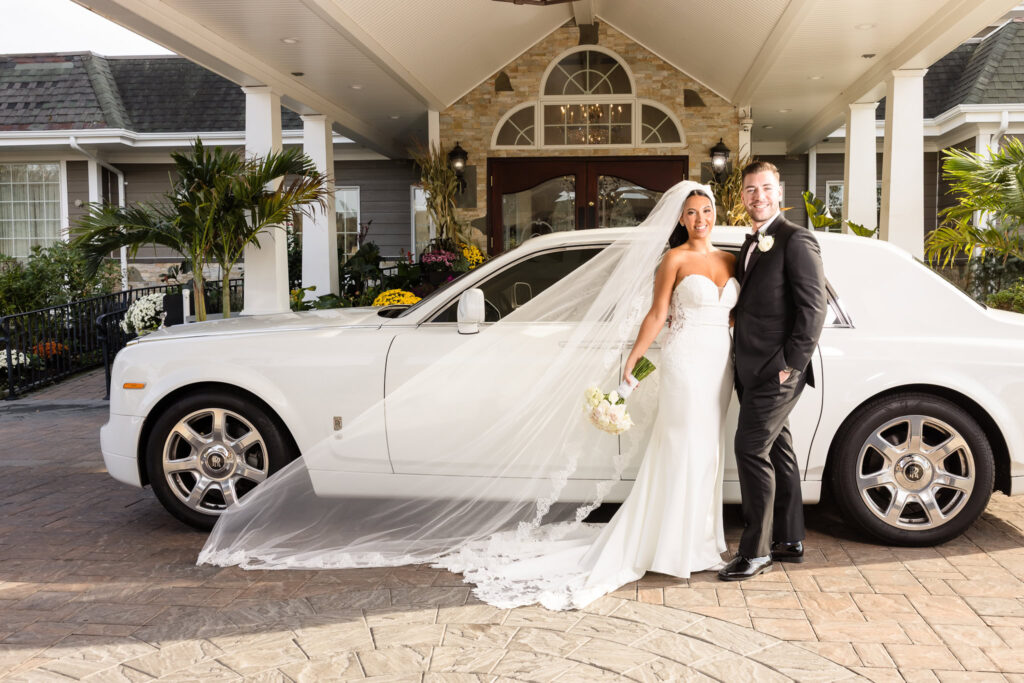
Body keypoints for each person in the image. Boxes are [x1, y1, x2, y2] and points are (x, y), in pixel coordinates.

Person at [197, 180, 736, 610]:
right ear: (680, 218)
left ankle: (699, 539)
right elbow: (656, 317)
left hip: (721, 366)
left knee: (705, 453)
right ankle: (674, 543)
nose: (700, 219)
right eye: (691, 212)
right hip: (686, 364)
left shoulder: (731, 260)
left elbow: (742, 313)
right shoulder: (673, 261)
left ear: (714, 215)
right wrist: (627, 373)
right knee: (682, 448)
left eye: (706, 211)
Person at [718, 161, 827, 581]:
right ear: (742, 197)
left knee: (748, 448)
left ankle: (756, 551)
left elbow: (813, 310)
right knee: (778, 448)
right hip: (751, 369)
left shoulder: (796, 240)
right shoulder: (752, 244)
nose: (757, 196)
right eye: (750, 190)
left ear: (780, 192)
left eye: (765, 188)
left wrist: (790, 368)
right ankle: (788, 538)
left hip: (778, 371)